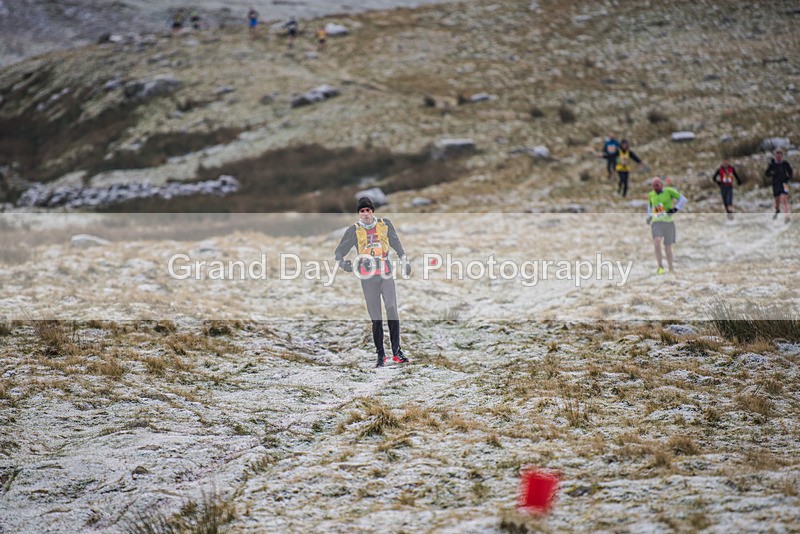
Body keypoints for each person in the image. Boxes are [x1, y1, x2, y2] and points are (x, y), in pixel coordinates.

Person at [335, 197, 411, 367]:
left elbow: (396, 243)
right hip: (367, 277)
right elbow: (339, 251)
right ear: (359, 214)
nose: (365, 214)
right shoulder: (353, 230)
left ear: (372, 211)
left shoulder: (384, 224)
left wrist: (404, 260)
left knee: (391, 308)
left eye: (368, 210)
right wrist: (343, 263)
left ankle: (397, 352)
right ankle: (380, 355)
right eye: (362, 211)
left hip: (385, 273)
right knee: (376, 318)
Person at [646, 177, 687, 274]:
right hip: (657, 222)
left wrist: (675, 209)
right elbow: (650, 206)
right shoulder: (651, 195)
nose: (655, 188)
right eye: (653, 186)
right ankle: (660, 267)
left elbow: (683, 199)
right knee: (657, 242)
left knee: (668, 247)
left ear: (662, 185)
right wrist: (649, 216)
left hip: (668, 222)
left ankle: (671, 268)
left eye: (657, 185)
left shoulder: (669, 191)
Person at [765, 149, 793, 223]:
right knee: (777, 200)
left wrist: (789, 176)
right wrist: (772, 173)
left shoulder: (785, 164)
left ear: (782, 156)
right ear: (775, 156)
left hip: (785, 184)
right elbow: (767, 173)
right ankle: (777, 210)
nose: (779, 156)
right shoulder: (772, 165)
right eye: (777, 154)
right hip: (776, 184)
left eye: (780, 154)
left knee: (785, 199)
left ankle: (787, 217)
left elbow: (790, 171)